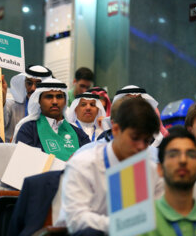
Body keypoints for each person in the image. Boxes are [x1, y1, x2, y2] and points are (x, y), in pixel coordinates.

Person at [56, 98, 159, 235]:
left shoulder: (152, 169)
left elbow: (159, 217)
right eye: (135, 138)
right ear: (115, 130)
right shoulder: (83, 163)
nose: (141, 146)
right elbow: (76, 219)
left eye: (146, 141)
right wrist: (124, 224)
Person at [14, 78, 90, 161]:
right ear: (39, 101)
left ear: (65, 102)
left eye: (59, 97)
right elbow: (24, 161)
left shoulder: (78, 133)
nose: (55, 101)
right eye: (49, 97)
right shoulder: (28, 130)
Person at [0, 65, 53, 142]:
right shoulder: (12, 105)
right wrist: (2, 99)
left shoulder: (54, 110)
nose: (33, 88)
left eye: (38, 84)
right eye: (29, 83)